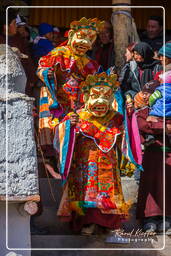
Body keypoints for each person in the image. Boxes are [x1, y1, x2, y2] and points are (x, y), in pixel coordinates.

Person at [55, 72, 137, 235]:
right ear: (86, 97)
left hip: (108, 163)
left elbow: (126, 136)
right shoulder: (78, 115)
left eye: (106, 96)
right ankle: (87, 223)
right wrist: (68, 126)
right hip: (84, 163)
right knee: (86, 191)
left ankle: (108, 224)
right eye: (96, 95)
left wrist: (129, 116)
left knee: (107, 193)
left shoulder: (116, 118)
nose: (100, 101)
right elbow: (60, 137)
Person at [36, 17, 102, 170]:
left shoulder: (89, 62)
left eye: (90, 39)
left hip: (80, 104)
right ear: (71, 35)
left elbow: (97, 82)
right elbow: (40, 69)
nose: (85, 43)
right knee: (60, 138)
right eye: (81, 38)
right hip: (59, 102)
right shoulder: (59, 53)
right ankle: (58, 165)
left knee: (78, 139)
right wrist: (48, 74)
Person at [132, 83, 171, 234]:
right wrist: (164, 127)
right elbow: (142, 125)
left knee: (168, 186)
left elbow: (151, 125)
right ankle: (149, 219)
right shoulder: (144, 111)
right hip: (151, 156)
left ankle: (167, 218)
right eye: (146, 93)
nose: (147, 96)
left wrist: (156, 124)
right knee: (150, 186)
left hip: (168, 156)